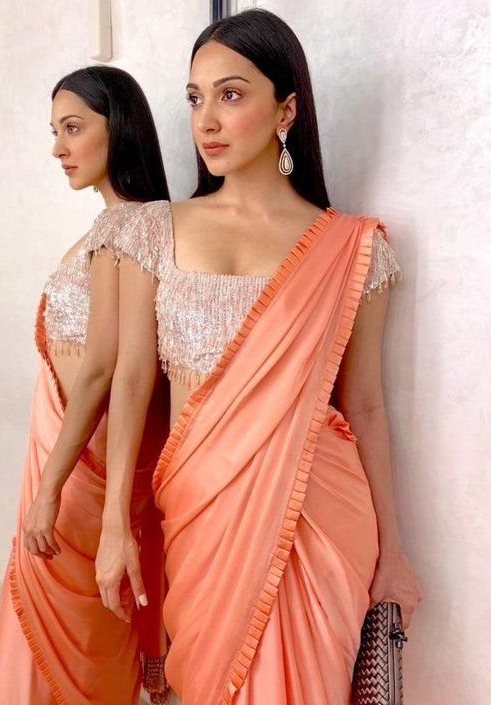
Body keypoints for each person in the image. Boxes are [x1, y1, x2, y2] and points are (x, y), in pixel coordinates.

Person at [90, 9, 423, 705]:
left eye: (231, 94)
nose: (206, 119)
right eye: (195, 98)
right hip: (198, 513)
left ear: (287, 109)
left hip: (315, 519)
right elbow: (130, 379)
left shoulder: (354, 248)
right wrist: (115, 522)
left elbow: (363, 404)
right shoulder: (151, 229)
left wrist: (393, 551)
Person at [0, 66, 171, 705]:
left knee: (76, 628)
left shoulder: (134, 225)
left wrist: (50, 491)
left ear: (117, 129)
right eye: (54, 131)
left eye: (73, 128)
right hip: (78, 458)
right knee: (56, 619)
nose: (58, 149)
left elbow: (107, 369)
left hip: (87, 474)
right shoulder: (112, 228)